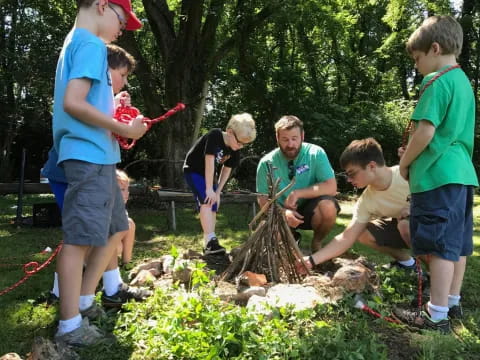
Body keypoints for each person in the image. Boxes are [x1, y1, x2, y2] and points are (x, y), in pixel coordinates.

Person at [52, 0, 147, 346]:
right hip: (87, 156)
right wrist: (127, 130)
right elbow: (73, 103)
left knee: (115, 228)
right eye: (123, 20)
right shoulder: (92, 44)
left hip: (99, 156)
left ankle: (86, 301)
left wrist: (114, 112)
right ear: (103, 5)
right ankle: (69, 325)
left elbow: (85, 100)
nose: (124, 29)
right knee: (79, 240)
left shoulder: (77, 41)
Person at [394, 15, 478, 333]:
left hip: (437, 176)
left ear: (435, 48)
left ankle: (436, 314)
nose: (416, 67)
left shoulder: (436, 83)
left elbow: (425, 133)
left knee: (439, 246)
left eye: (417, 59)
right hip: (462, 175)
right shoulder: (463, 84)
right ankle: (451, 303)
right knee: (456, 244)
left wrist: (405, 164)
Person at [301, 138, 417, 271]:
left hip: (438, 225)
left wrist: (416, 209)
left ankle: (439, 278)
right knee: (362, 233)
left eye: (352, 173)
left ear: (371, 166)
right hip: (406, 229)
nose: (349, 180)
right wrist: (311, 260)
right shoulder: (367, 200)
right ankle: (408, 263)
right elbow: (347, 237)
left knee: (405, 225)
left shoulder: (408, 174)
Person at [256, 115, 339, 253]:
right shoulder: (267, 163)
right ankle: (291, 237)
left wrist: (298, 193)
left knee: (328, 207)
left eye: (294, 139)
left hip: (310, 208)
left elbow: (331, 187)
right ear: (277, 138)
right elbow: (262, 199)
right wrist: (283, 213)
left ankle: (316, 243)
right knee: (274, 247)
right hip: (280, 210)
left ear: (302, 136)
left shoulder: (315, 153)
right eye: (285, 139)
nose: (290, 144)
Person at [183, 114, 256, 254]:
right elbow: (209, 161)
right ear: (229, 132)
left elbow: (226, 170)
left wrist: (217, 192)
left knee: (214, 203)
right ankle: (211, 239)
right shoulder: (215, 135)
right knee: (206, 200)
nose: (240, 147)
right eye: (239, 142)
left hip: (209, 175)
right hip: (194, 170)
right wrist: (209, 189)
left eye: (244, 145)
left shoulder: (235, 148)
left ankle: (209, 242)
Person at [115, 169, 136, 265]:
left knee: (130, 223)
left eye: (128, 189)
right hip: (90, 250)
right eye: (122, 189)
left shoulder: (119, 209)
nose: (127, 193)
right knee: (118, 246)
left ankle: (126, 263)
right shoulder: (104, 209)